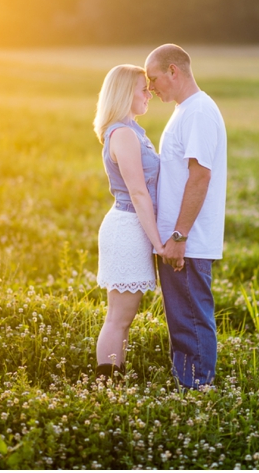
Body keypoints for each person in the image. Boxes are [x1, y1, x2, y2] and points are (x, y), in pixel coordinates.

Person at [145, 43, 227, 389]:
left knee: (191, 320)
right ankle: (188, 386)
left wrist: (179, 236)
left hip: (186, 242)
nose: (151, 87)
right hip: (176, 240)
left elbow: (200, 175)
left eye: (154, 78)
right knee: (181, 320)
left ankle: (197, 391)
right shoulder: (185, 110)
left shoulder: (198, 113)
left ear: (173, 71)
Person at [92, 64, 165, 380]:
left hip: (134, 228)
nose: (149, 94)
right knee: (118, 318)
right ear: (125, 94)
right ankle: (106, 384)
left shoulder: (131, 130)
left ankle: (115, 381)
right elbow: (138, 192)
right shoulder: (122, 133)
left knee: (125, 317)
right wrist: (159, 244)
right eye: (142, 89)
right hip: (127, 228)